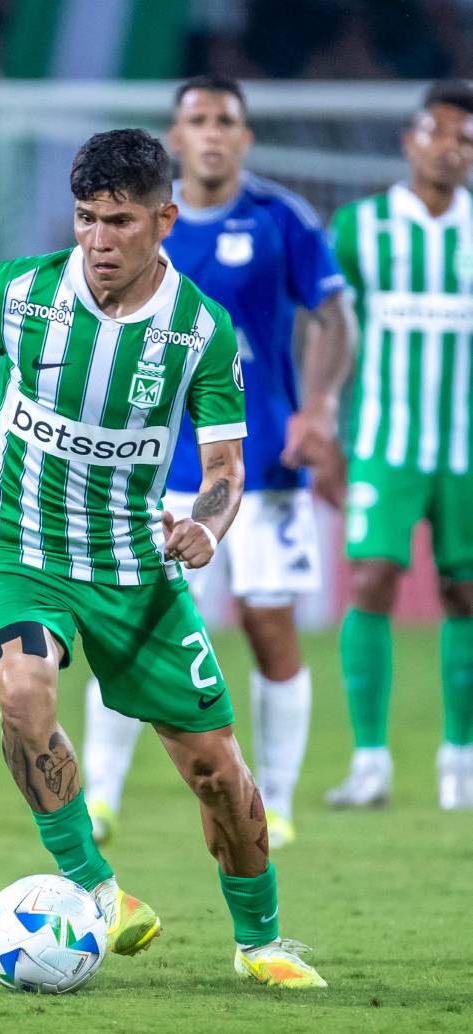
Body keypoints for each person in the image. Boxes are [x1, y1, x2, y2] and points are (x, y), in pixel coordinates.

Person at [0, 129, 327, 988]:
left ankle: (260, 942)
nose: (98, 241)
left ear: (164, 221)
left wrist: (207, 529)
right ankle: (95, 890)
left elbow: (224, 472)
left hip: (134, 569)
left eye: (119, 221)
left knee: (216, 770)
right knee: (24, 694)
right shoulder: (23, 291)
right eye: (85, 219)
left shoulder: (199, 334)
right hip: (14, 546)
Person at [81, 76, 355, 850]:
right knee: (130, 626)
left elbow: (334, 315)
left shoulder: (281, 219)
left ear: (245, 137)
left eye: (224, 121)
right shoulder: (141, 225)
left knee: (270, 629)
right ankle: (101, 796)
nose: (210, 132)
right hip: (152, 466)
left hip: (261, 463)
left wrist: (321, 408)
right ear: (175, 133)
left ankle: (281, 798)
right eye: (196, 119)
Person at [326, 80, 473, 810]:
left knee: (464, 593)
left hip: (467, 450)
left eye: (465, 139)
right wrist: (318, 418)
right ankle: (371, 761)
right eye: (439, 133)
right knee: (373, 579)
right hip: (385, 441)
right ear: (410, 140)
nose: (452, 148)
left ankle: (461, 761)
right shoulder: (361, 227)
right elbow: (328, 326)